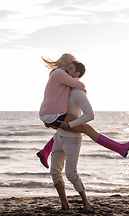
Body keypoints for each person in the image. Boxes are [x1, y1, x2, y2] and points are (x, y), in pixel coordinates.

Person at [38, 54, 129, 169]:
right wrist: (81, 87)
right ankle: (120, 148)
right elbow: (78, 84)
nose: (70, 68)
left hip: (49, 114)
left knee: (66, 128)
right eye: (70, 65)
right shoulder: (60, 73)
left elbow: (70, 88)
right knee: (86, 128)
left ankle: (45, 151)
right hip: (52, 114)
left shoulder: (58, 75)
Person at [49, 61, 93, 211]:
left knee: (70, 173)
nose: (66, 69)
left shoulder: (78, 93)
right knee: (54, 171)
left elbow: (90, 115)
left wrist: (71, 125)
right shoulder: (62, 90)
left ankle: (86, 203)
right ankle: (64, 205)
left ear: (77, 75)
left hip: (72, 139)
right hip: (58, 136)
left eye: (71, 68)